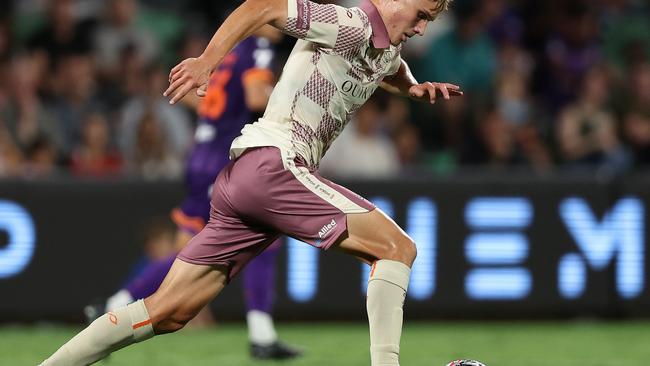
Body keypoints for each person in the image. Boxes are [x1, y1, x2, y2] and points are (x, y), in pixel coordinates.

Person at [40, 0, 462, 365]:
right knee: (397, 248)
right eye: (422, 14)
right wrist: (207, 61)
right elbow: (262, 6)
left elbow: (387, 66)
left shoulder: (387, 50)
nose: (423, 27)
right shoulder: (346, 24)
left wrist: (413, 88)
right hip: (275, 163)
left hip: (243, 177)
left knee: (166, 312)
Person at [85, 26, 301, 359]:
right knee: (251, 240)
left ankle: (111, 307)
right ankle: (261, 334)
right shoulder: (257, 48)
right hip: (223, 160)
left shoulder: (232, 53)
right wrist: (296, 98)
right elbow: (257, 97)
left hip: (202, 154)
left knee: (193, 250)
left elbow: (199, 97)